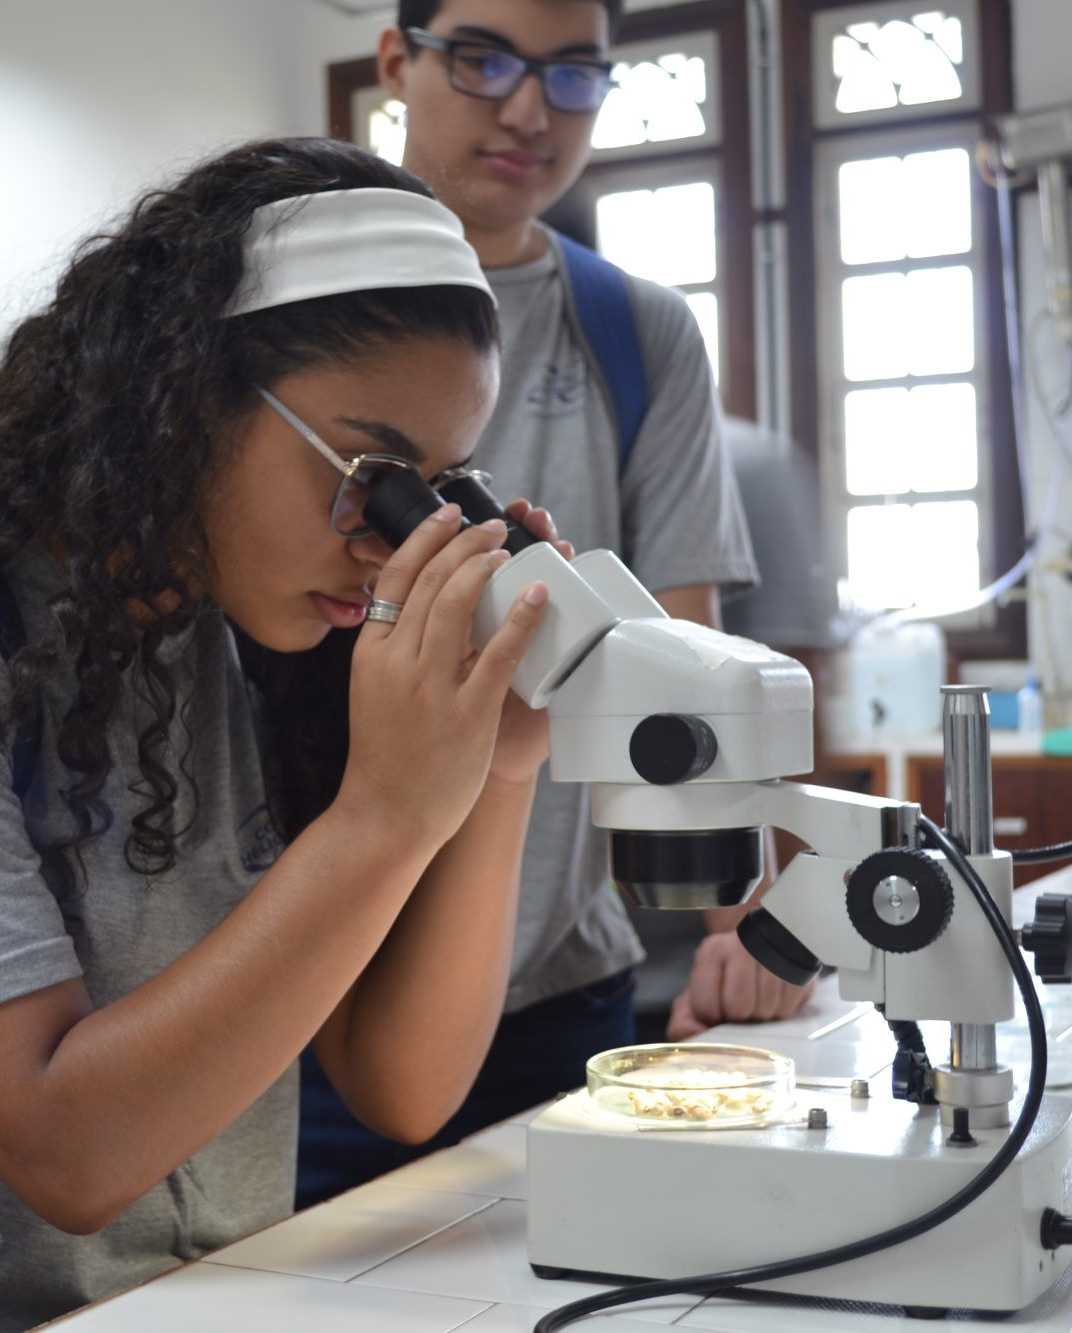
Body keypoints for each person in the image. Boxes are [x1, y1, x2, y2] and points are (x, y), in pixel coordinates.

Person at [0, 137, 574, 1331]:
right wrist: (386, 815)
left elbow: (402, 1082)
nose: (389, 539)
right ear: (186, 397)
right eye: (370, 473)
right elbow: (67, 1150)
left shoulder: (238, 632)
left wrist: (492, 770)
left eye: (437, 486)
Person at [296, 0, 815, 1205]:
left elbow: (687, 664)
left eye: (574, 75)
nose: (530, 109)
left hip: (550, 987)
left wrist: (745, 924)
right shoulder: (291, 306)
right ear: (393, 62)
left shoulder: (634, 335)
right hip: (313, 986)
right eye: (483, 60)